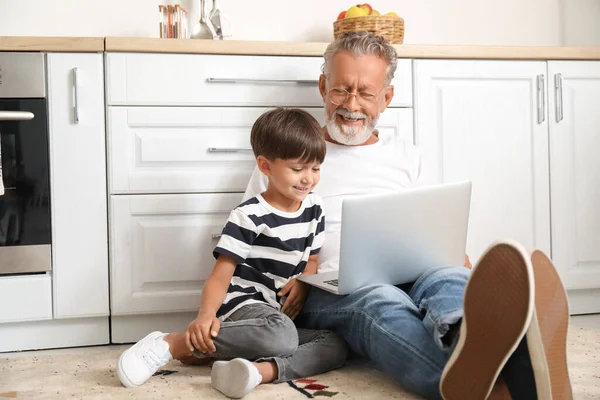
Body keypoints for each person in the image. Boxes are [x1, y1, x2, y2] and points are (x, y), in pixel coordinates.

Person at [242, 32, 572, 400]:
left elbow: (433, 223)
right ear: (323, 87)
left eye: (366, 93)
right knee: (383, 300)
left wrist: (457, 264)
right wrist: (302, 275)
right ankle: (507, 380)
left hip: (412, 271)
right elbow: (251, 240)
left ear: (386, 98)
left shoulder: (407, 155)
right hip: (328, 289)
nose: (352, 104)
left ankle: (474, 337)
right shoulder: (286, 156)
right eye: (341, 90)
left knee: (447, 278)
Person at [116, 108, 348, 399]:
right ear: (266, 166)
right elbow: (221, 274)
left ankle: (257, 372)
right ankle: (175, 343)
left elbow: (312, 259)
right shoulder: (249, 215)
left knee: (336, 343)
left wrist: (303, 281)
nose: (308, 179)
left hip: (277, 314)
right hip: (244, 307)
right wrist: (205, 316)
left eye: (315, 168)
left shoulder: (315, 208)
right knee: (282, 335)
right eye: (297, 169)